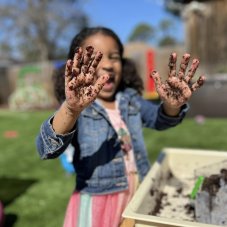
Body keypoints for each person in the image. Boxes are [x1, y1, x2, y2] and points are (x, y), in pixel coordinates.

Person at [36, 26, 206, 227]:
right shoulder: (79, 109)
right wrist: (71, 110)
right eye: (97, 58)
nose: (108, 64)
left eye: (114, 57)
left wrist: (171, 105)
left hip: (136, 195)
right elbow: (46, 148)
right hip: (98, 203)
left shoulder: (130, 99)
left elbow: (159, 120)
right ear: (77, 65)